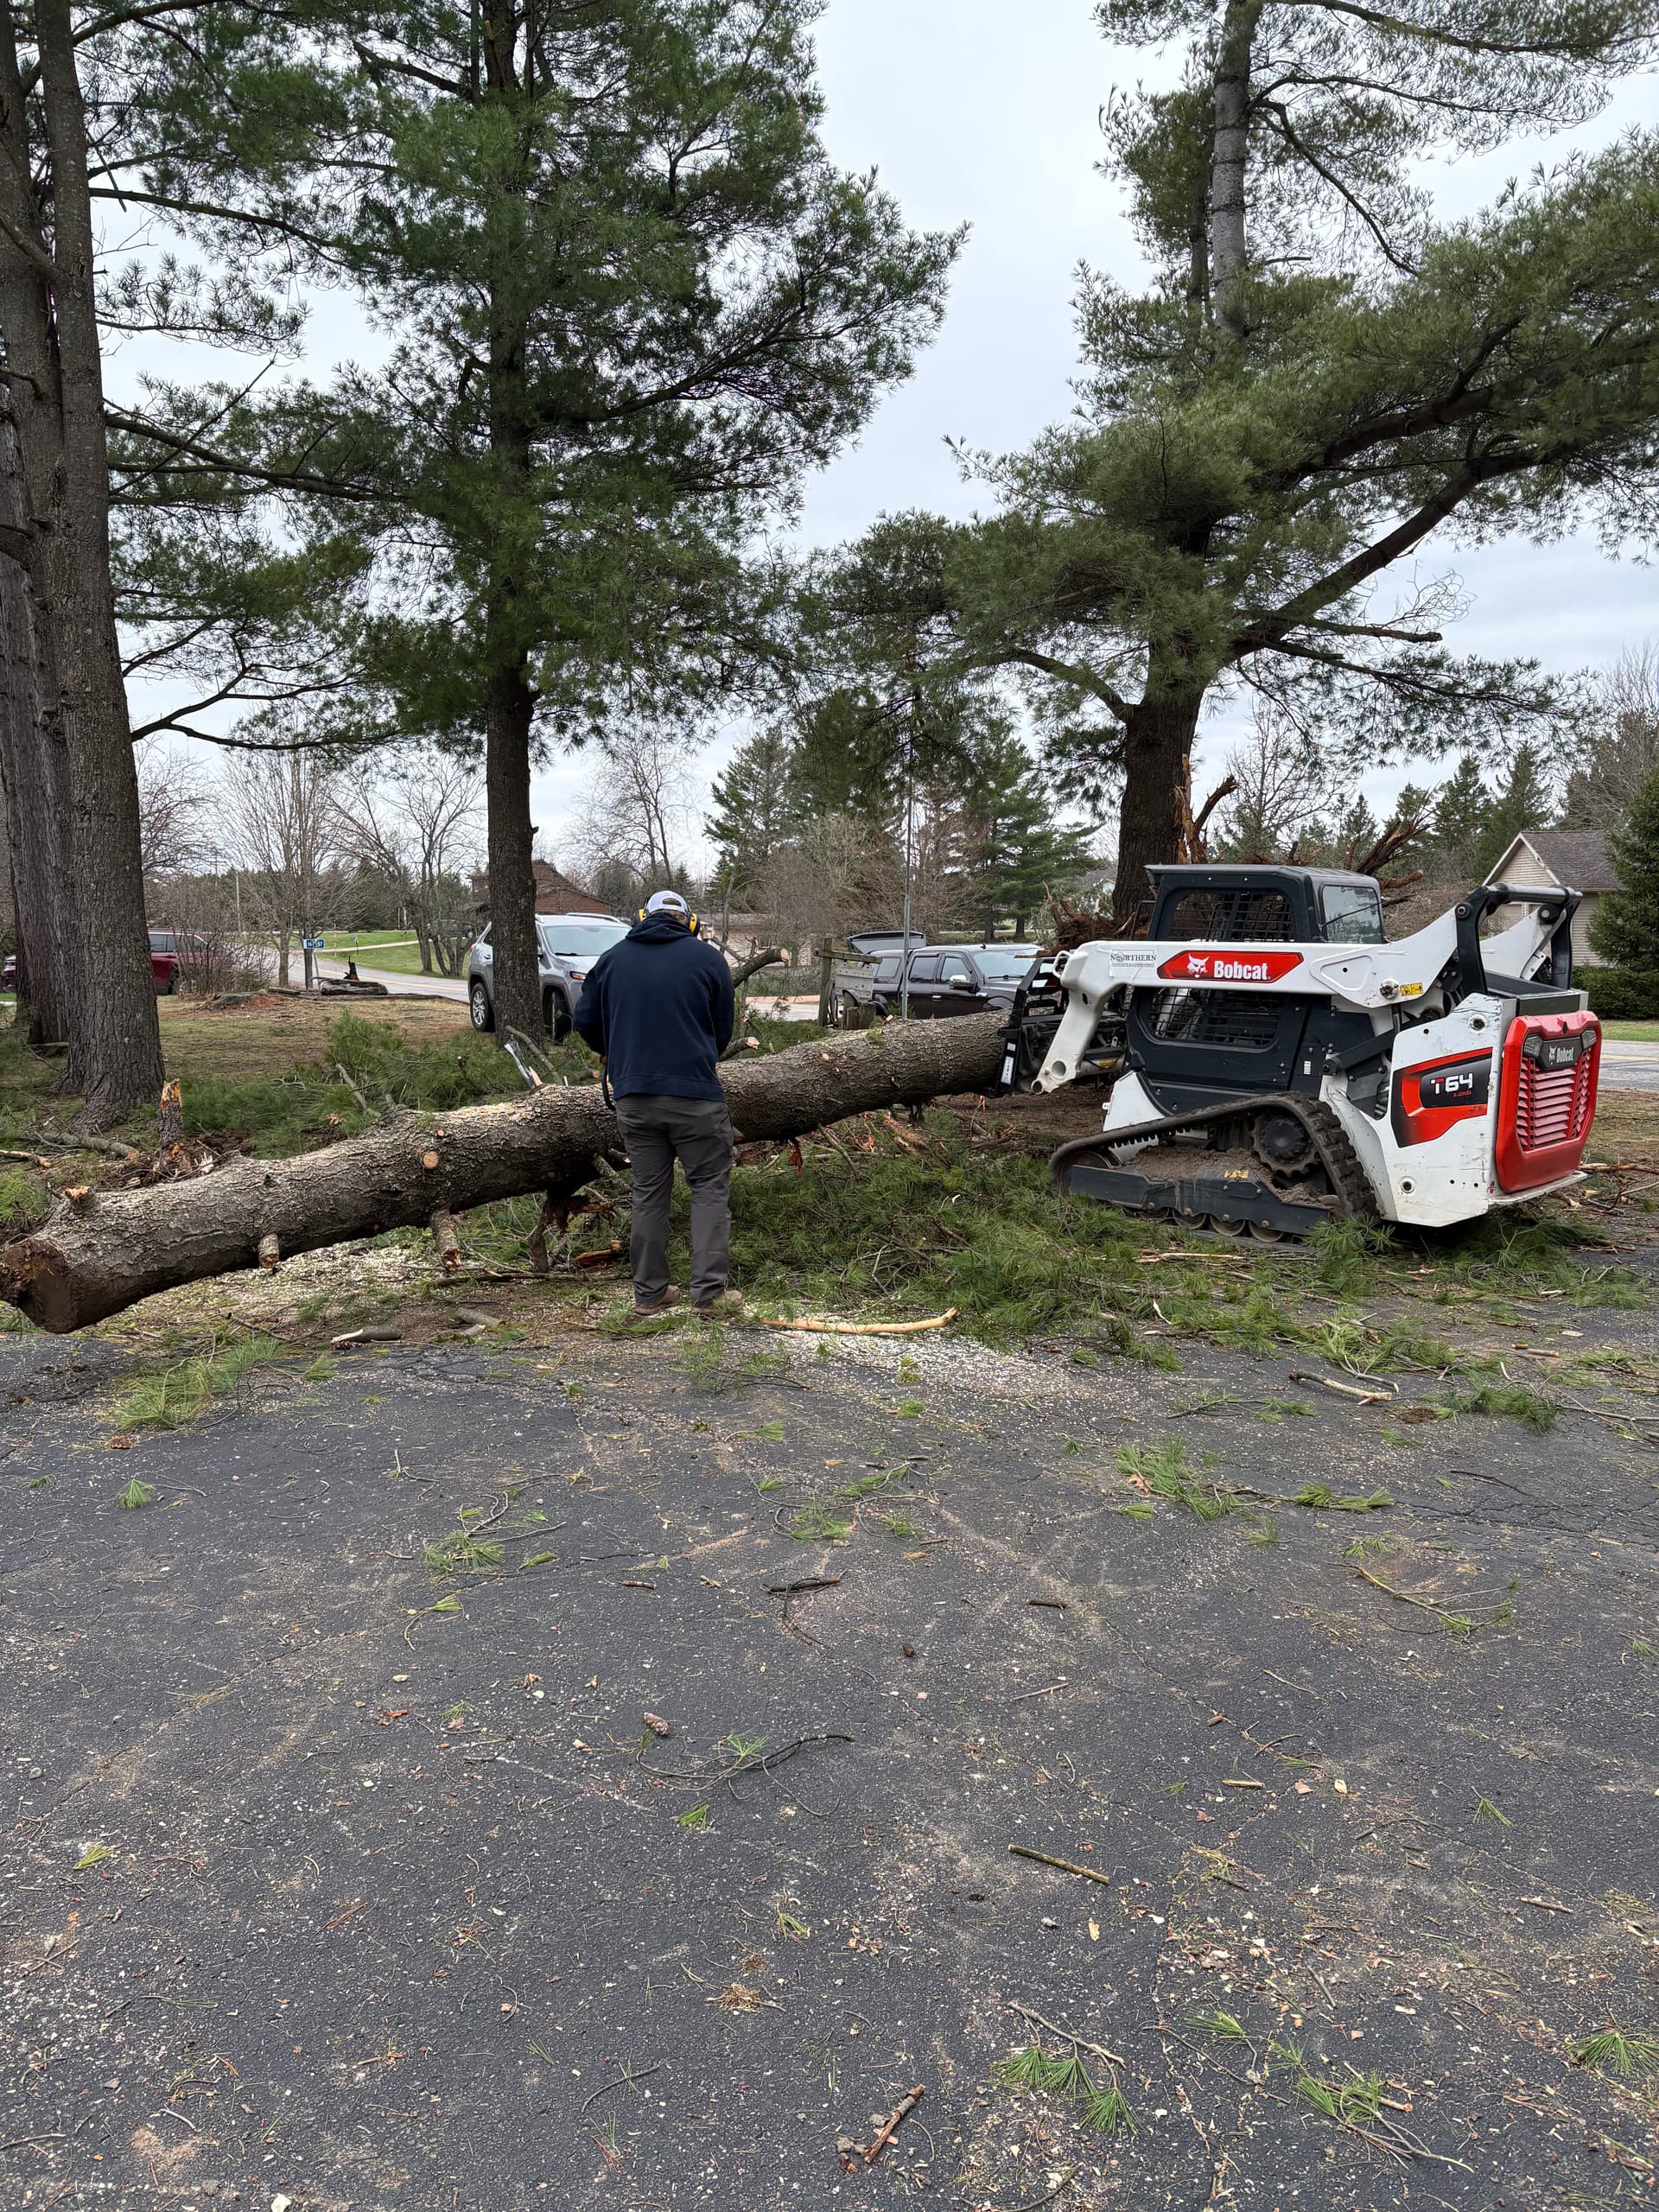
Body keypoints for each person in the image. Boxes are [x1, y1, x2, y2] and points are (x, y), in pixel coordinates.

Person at [573, 889, 740, 1317]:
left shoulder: (612, 959)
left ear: (642, 917)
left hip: (635, 1098)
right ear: (690, 921)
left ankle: (649, 1296)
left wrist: (617, 1051)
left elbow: (585, 1021)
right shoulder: (708, 960)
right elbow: (721, 1031)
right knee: (708, 1190)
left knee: (649, 1194)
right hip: (697, 1097)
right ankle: (708, 1296)